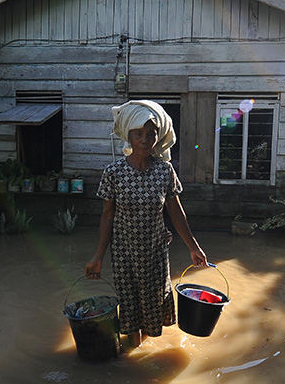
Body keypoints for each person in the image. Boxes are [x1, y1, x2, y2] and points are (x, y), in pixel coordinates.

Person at [84, 100, 208, 349]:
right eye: (139, 134)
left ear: (157, 137)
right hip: (124, 254)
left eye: (151, 134)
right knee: (129, 308)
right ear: (129, 136)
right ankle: (132, 355)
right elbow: (107, 216)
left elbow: (176, 213)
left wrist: (194, 247)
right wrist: (98, 256)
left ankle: (143, 358)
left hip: (155, 254)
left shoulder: (165, 171)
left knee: (152, 308)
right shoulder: (114, 173)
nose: (145, 139)